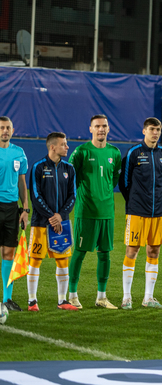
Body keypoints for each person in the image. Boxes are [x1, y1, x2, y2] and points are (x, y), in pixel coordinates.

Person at [68, 114, 122, 309]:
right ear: (90, 129)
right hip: (86, 211)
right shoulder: (81, 152)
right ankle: (72, 295)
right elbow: (69, 177)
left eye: (104, 126)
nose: (101, 129)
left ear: (108, 129)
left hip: (107, 211)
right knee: (80, 252)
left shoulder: (115, 153)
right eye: (97, 126)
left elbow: (114, 180)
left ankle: (101, 297)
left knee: (105, 254)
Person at [119, 118, 162, 310]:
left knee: (154, 251)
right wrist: (134, 201)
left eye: (158, 129)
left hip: (159, 212)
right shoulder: (133, 153)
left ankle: (148, 297)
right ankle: (126, 298)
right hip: (137, 211)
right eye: (152, 129)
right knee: (132, 251)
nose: (155, 133)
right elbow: (123, 182)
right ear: (144, 131)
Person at [27, 133, 77, 311]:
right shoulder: (38, 167)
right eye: (64, 144)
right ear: (52, 147)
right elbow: (35, 196)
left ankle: (62, 301)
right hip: (40, 223)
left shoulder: (69, 169)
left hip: (61, 224)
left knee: (63, 261)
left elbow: (73, 196)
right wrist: (51, 216)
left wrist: (60, 216)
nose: (67, 147)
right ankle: (32, 301)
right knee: (35, 260)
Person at [0, 116, 29, 311]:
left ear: (13, 130)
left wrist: (25, 208)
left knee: (8, 252)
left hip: (11, 208)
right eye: (1, 128)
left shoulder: (19, 153)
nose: (4, 131)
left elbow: (22, 182)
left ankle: (7, 299)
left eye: (7, 128)